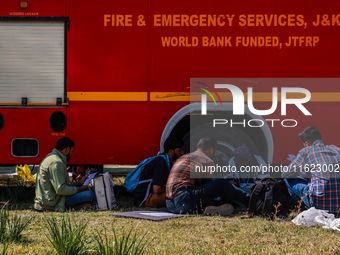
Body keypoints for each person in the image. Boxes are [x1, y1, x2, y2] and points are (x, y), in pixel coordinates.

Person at [166, 137, 249, 215]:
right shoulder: (207, 160)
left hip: (170, 205)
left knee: (210, 191)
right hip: (184, 200)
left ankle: (208, 208)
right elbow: (208, 188)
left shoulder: (182, 158)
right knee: (222, 184)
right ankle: (250, 201)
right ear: (211, 149)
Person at [282, 126, 340, 214]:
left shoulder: (306, 151)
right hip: (338, 205)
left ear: (307, 143)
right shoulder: (336, 149)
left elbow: (285, 174)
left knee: (288, 181)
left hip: (319, 204)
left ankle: (298, 208)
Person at [34, 137, 94, 212]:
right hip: (54, 202)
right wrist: (80, 189)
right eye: (71, 152)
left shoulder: (53, 158)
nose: (71, 155)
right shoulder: (56, 163)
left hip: (51, 199)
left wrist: (79, 183)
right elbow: (61, 189)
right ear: (67, 150)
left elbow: (63, 184)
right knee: (90, 194)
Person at [133, 136, 184, 208]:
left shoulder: (165, 160)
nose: (182, 153)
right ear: (171, 151)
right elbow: (157, 189)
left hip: (150, 195)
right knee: (180, 192)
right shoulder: (161, 162)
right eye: (179, 151)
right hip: (145, 199)